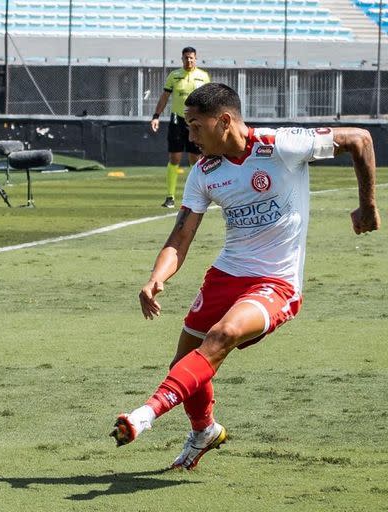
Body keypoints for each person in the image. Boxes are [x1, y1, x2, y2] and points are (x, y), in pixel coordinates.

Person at [110, 83, 381, 470]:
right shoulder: (204, 172)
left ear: (224, 121)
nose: (190, 136)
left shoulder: (281, 145)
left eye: (195, 126)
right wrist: (157, 276)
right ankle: (204, 431)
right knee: (185, 366)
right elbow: (181, 235)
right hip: (226, 274)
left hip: (276, 281)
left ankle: (145, 414)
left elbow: (360, 138)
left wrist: (367, 206)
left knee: (223, 336)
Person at [150, 47, 210, 208]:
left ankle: (197, 195)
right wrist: (156, 116)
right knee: (174, 158)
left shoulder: (203, 77)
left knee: (195, 159)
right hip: (177, 119)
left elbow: (209, 101)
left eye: (191, 58)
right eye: (186, 58)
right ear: (182, 59)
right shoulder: (174, 76)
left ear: (196, 58)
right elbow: (164, 97)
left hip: (195, 123)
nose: (188, 60)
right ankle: (170, 197)